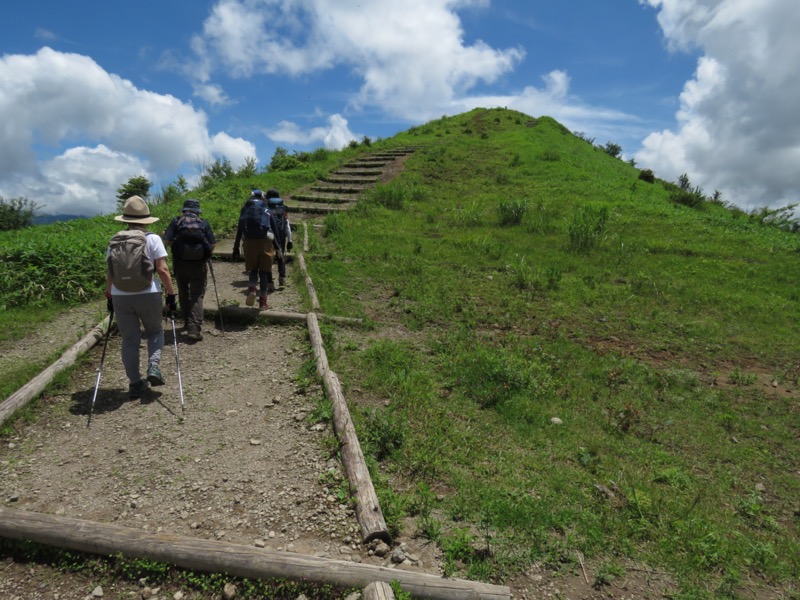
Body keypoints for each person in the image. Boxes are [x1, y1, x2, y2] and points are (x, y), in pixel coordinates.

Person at [106, 195, 177, 400]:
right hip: (149, 293)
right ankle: (153, 367)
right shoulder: (152, 239)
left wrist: (110, 295)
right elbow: (162, 270)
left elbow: (110, 273)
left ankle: (135, 383)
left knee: (129, 339)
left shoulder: (114, 241)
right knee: (155, 331)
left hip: (120, 295)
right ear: (146, 220)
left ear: (126, 220)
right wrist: (171, 294)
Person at [162, 198, 216, 341]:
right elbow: (212, 244)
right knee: (197, 294)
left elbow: (166, 241)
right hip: (199, 265)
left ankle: (186, 322)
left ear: (184, 210)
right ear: (197, 211)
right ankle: (194, 328)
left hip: (180, 264)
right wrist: (206, 255)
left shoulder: (176, 221)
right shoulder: (203, 223)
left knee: (183, 292)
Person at [232, 189, 278, 309]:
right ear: (263, 197)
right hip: (265, 242)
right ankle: (263, 301)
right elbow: (274, 228)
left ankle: (252, 288)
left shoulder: (245, 208)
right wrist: (278, 248)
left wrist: (236, 247)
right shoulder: (266, 208)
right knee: (263, 272)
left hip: (249, 242)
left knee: (253, 269)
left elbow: (240, 229)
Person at [265, 188, 292, 287]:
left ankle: (270, 283)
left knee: (268, 257)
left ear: (267, 198)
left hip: (269, 234)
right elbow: (287, 225)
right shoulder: (283, 208)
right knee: (281, 255)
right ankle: (282, 278)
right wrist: (290, 240)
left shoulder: (266, 207)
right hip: (281, 234)